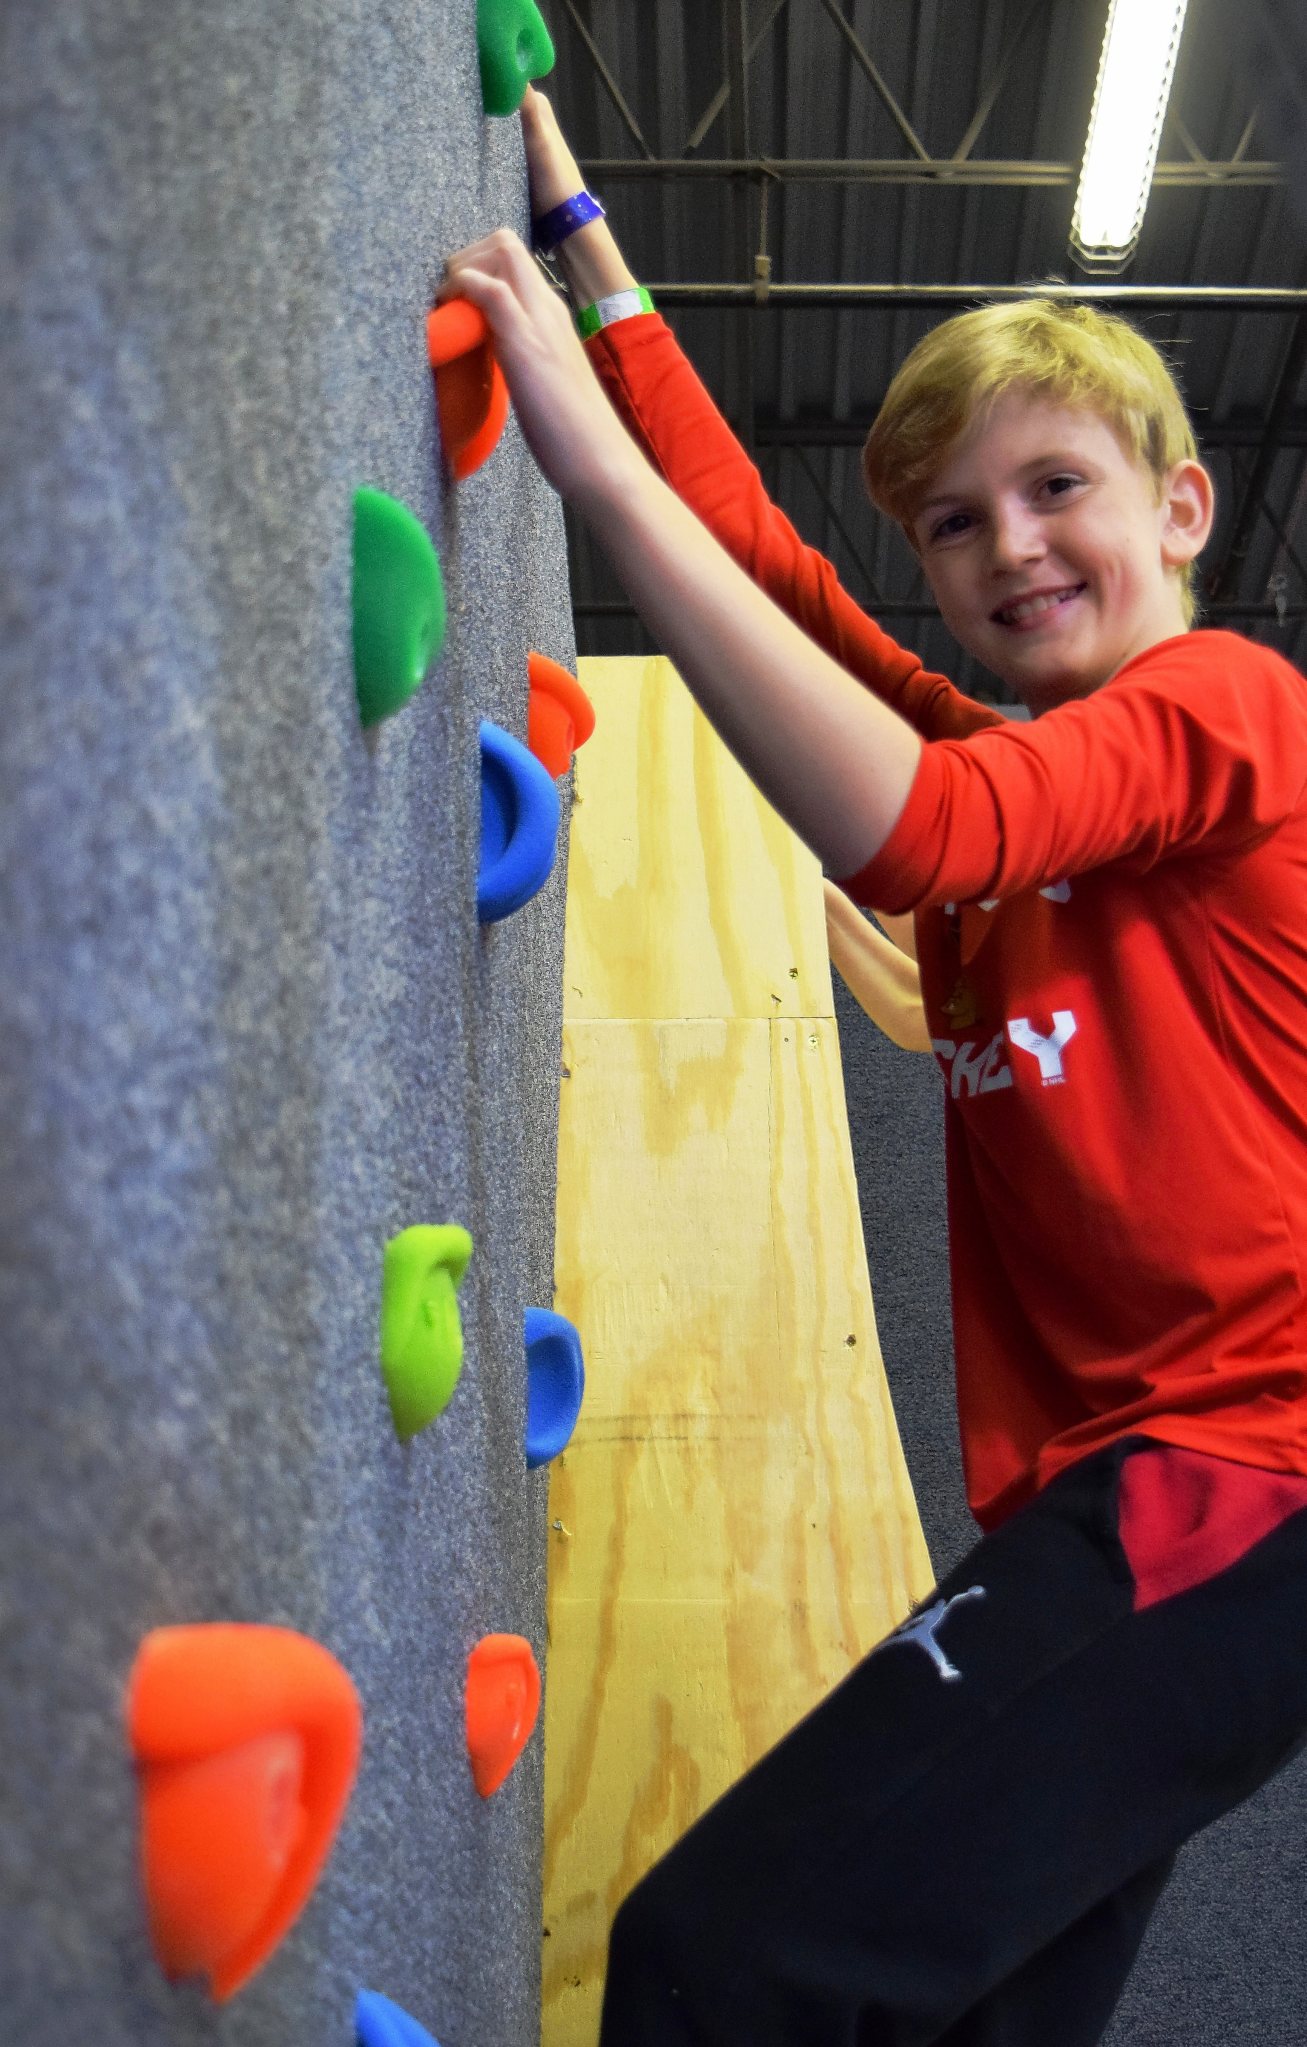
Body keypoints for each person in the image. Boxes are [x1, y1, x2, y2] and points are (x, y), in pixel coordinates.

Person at [442, 88, 1307, 2047]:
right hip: (1150, 1507)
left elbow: (911, 830)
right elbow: (776, 570)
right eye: (954, 521)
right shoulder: (1032, 787)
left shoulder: (1224, 707)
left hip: (1230, 1482)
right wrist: (584, 236)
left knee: (718, 1951)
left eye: (1057, 485)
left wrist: (592, 474)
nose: (1010, 545)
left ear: (1184, 510)